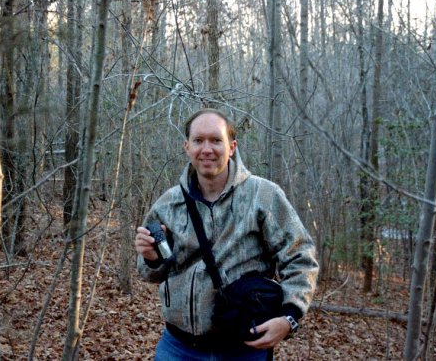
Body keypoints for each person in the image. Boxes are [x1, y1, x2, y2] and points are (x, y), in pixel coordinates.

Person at [135, 108, 319, 360]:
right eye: (199, 140)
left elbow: (301, 256)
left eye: (216, 140)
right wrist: (151, 257)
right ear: (186, 146)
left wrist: (290, 317)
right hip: (178, 347)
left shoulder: (262, 195)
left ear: (232, 147)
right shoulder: (168, 204)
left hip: (244, 348)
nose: (207, 149)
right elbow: (149, 273)